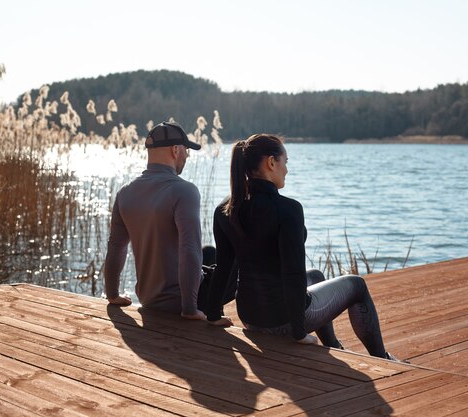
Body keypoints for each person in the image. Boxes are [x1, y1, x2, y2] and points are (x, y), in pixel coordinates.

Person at [205, 134, 401, 360]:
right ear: (271, 163)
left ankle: (335, 347)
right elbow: (293, 272)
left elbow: (224, 267)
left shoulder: (225, 209)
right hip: (283, 321)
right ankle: (383, 358)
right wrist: (299, 333)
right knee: (357, 285)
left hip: (250, 316)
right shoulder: (288, 209)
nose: (286, 170)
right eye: (285, 162)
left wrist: (212, 313)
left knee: (316, 276)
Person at [104, 121, 205, 320]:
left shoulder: (125, 192)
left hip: (148, 299)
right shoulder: (184, 190)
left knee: (208, 254)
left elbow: (116, 246)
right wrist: (190, 309)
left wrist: (113, 294)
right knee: (229, 264)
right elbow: (189, 249)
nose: (187, 155)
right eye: (186, 150)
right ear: (176, 150)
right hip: (180, 302)